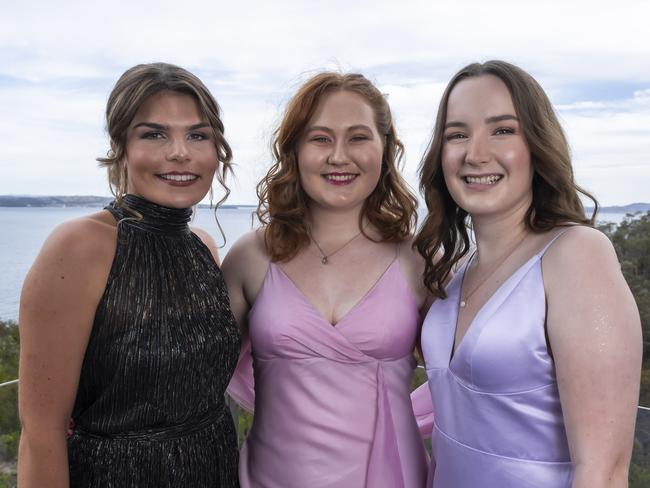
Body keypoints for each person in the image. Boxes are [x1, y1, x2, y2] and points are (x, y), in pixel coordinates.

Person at [414, 60, 642, 487]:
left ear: (536, 146)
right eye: (457, 134)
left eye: (502, 130)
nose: (475, 153)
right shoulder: (457, 273)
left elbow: (604, 471)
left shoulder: (576, 256)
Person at [18, 63, 240, 487]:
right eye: (154, 133)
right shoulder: (80, 246)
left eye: (197, 134)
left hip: (213, 468)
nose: (180, 152)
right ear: (121, 146)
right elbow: (42, 432)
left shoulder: (204, 247)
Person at [223, 72, 430, 487]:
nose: (339, 156)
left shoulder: (419, 261)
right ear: (295, 150)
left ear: (385, 149)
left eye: (357, 137)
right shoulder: (250, 257)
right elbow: (195, 373)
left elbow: (471, 375)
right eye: (320, 138)